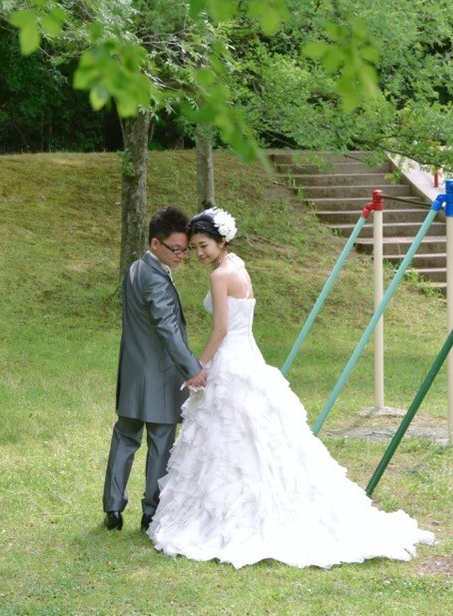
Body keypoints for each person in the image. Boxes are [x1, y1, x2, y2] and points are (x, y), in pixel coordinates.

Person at [148, 207, 435, 568]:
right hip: (246, 355)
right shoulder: (236, 264)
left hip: (230, 358)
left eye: (204, 245)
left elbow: (221, 329)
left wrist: (198, 367)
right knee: (247, 436)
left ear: (222, 241)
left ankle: (232, 515)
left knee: (231, 435)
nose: (199, 253)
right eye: (194, 248)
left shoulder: (220, 275)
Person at [103, 206, 208, 532]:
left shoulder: (135, 269)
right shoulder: (156, 280)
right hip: (160, 375)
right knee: (160, 444)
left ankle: (113, 508)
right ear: (155, 244)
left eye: (185, 249)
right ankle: (152, 513)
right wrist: (192, 368)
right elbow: (167, 330)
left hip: (133, 371)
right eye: (175, 249)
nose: (181, 255)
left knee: (125, 437)